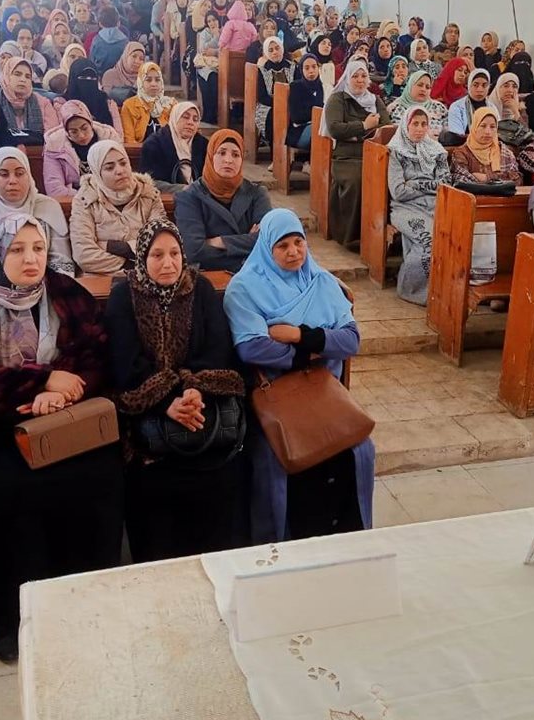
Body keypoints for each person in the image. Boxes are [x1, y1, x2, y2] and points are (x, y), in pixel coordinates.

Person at [0, 214, 121, 663]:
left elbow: (96, 355)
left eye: (38, 248)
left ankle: (87, 608)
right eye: (17, 250)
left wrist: (61, 393)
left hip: (63, 420)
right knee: (10, 490)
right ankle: (16, 620)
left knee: (98, 476)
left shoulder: (64, 291)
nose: (30, 259)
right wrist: (40, 382)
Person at [223, 209, 375, 542]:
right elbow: (253, 348)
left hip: (324, 395)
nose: (293, 252)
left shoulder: (321, 281)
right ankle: (278, 544)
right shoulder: (244, 289)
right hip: (276, 399)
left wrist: (297, 336)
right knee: (273, 457)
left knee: (361, 449)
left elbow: (351, 340)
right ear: (267, 249)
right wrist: (316, 350)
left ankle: (355, 537)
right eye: (283, 246)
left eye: (298, 242)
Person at [105, 218, 248, 561]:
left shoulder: (201, 290)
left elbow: (218, 349)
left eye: (174, 254)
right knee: (152, 487)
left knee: (222, 477)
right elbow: (125, 363)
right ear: (143, 258)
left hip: (200, 409)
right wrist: (167, 401)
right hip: (148, 417)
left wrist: (196, 390)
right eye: (157, 255)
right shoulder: (124, 295)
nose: (168, 263)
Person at [173, 129, 271, 273]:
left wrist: (219, 241)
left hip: (254, 273)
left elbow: (268, 240)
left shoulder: (257, 194)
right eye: (222, 153)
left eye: (235, 155)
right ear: (211, 156)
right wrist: (247, 241)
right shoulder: (189, 197)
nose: (228, 160)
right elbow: (193, 250)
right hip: (210, 275)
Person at [0, 147, 72, 274]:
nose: (12, 181)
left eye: (19, 173)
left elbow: (61, 260)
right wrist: (9, 282)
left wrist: (42, 283)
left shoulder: (49, 206)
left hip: (44, 281)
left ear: (29, 175)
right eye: (4, 174)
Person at [321, 59, 392, 249]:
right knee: (357, 181)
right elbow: (335, 128)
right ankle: (351, 236)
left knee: (389, 180)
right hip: (347, 156)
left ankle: (379, 235)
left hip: (373, 154)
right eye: (355, 76)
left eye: (363, 76)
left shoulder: (375, 100)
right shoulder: (338, 99)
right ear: (347, 78)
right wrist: (363, 125)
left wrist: (356, 133)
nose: (360, 80)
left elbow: (386, 125)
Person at [70, 140, 165, 276]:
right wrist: (130, 263)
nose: (120, 171)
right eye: (109, 168)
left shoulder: (149, 194)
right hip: (101, 276)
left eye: (123, 163)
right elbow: (84, 255)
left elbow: (160, 243)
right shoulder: (85, 200)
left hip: (147, 277)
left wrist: (111, 246)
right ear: (97, 172)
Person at [388, 107, 451, 305]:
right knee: (428, 240)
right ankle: (411, 290)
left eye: (424, 124)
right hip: (406, 208)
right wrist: (430, 186)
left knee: (452, 236)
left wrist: (415, 184)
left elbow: (446, 184)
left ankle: (440, 288)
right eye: (415, 124)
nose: (420, 129)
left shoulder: (437, 152)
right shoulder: (397, 152)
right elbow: (398, 191)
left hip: (434, 206)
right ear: (406, 125)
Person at [41, 100, 121, 197]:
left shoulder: (109, 139)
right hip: (73, 200)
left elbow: (120, 180)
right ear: (67, 132)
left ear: (91, 123)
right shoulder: (54, 146)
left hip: (109, 198)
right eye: (74, 132)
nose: (81, 135)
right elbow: (55, 190)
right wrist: (88, 197)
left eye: (84, 128)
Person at [141, 100, 208, 186]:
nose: (190, 122)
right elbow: (150, 181)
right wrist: (183, 189)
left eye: (195, 120)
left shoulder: (203, 144)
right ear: (175, 118)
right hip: (165, 194)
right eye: (185, 117)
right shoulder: (154, 144)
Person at [450, 106, 520, 186]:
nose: (488, 132)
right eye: (483, 126)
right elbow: (461, 181)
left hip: (502, 194)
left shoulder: (505, 152)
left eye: (492, 127)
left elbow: (517, 180)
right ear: (475, 127)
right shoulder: (461, 153)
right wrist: (501, 179)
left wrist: (487, 178)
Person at [0, 57, 58, 145]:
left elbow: (53, 137)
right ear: (6, 76)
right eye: (17, 74)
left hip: (39, 151)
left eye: (28, 76)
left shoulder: (43, 103)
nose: (23, 79)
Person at [62, 57, 123, 136]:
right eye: (83, 77)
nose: (88, 81)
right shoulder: (62, 102)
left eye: (92, 78)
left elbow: (117, 133)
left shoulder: (106, 101)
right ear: (73, 78)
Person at [119, 61, 174, 146]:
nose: (153, 84)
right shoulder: (129, 106)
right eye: (148, 80)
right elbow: (129, 140)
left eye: (157, 80)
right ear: (140, 82)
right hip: (139, 152)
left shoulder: (170, 104)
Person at [254, 37, 295, 142]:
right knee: (274, 117)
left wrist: (287, 103)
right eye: (271, 50)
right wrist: (278, 103)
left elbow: (297, 89)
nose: (275, 52)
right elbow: (262, 96)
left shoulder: (293, 67)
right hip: (269, 106)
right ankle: (275, 148)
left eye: (277, 48)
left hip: (291, 103)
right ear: (266, 53)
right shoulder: (262, 70)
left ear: (282, 48)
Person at [388, 70, 448, 139]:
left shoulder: (439, 108)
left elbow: (448, 135)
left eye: (427, 87)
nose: (423, 89)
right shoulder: (395, 107)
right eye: (420, 85)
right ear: (410, 86)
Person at [285, 53, 324, 155]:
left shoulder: (322, 86)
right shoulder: (296, 87)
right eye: (307, 68)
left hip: (319, 125)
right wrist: (317, 114)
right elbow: (296, 117)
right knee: (320, 128)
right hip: (299, 130)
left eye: (314, 67)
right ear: (301, 70)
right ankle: (311, 161)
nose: (311, 71)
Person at [445, 68, 492, 145]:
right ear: (469, 85)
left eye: (484, 85)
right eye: (475, 85)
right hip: (463, 146)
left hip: (489, 145)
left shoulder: (492, 108)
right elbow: (457, 136)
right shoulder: (457, 107)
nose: (480, 89)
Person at [101, 41, 146, 107]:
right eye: (134, 56)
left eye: (141, 59)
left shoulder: (145, 78)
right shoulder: (110, 75)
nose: (137, 61)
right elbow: (107, 102)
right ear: (126, 56)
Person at [88, 5, 129, 74]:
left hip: (100, 75)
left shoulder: (96, 40)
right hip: (119, 75)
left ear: (100, 24)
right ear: (118, 23)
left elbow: (92, 60)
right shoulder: (125, 42)